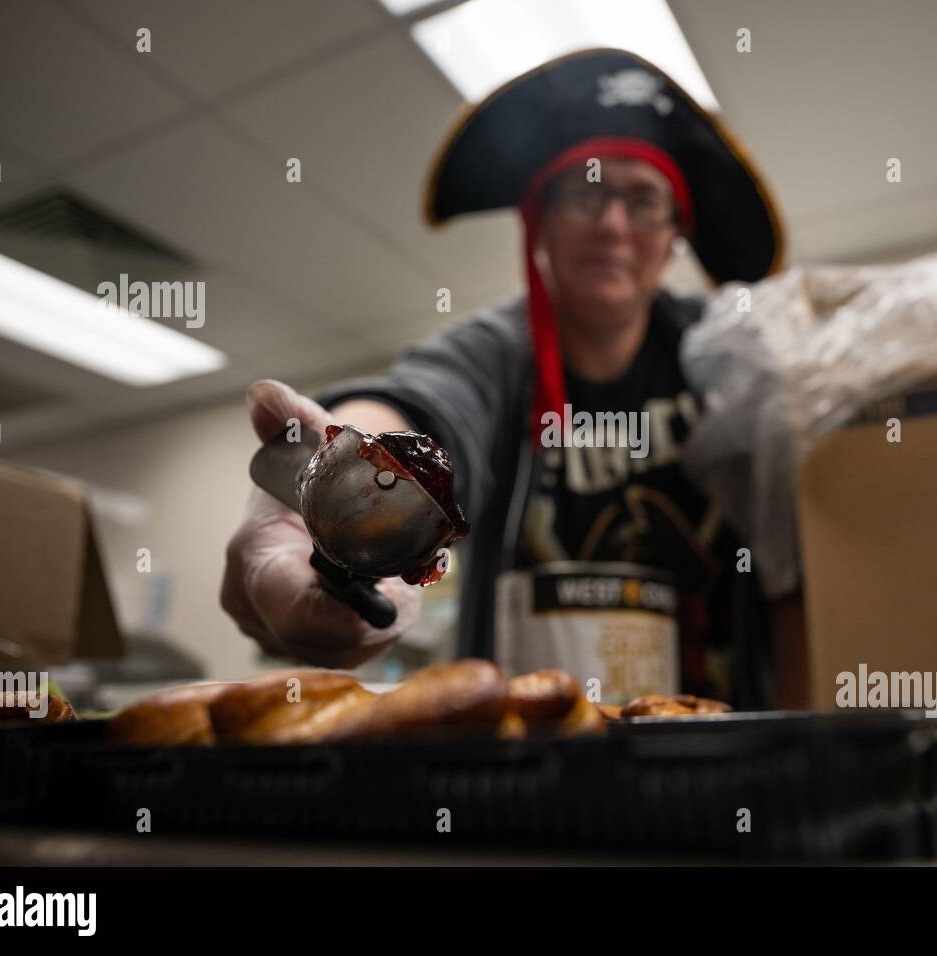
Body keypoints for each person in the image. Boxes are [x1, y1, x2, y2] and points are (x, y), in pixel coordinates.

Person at [221, 49, 809, 709]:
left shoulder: (729, 358)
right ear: (539, 224)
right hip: (528, 749)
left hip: (719, 742)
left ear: (675, 233)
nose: (613, 224)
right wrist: (339, 482)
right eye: (587, 193)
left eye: (643, 200)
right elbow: (421, 403)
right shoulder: (495, 355)